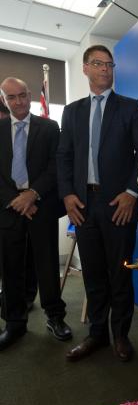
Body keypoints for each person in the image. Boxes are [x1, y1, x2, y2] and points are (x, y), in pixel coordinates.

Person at [57, 45, 138, 362]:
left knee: (119, 273)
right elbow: (64, 156)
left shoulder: (131, 107)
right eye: (98, 64)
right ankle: (97, 335)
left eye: (110, 64)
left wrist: (132, 192)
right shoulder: (72, 111)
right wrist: (67, 194)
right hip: (82, 204)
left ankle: (120, 335)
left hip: (118, 203)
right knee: (94, 273)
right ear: (85, 68)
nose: (105, 69)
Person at [0, 78, 72, 350]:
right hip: (8, 210)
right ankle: (14, 323)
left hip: (40, 206)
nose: (18, 102)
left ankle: (55, 317)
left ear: (30, 95)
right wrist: (15, 200)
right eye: (11, 97)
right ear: (4, 100)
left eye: (22, 95)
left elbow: (56, 165)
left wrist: (32, 194)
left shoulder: (49, 127)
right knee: (11, 267)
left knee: (47, 264)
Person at [0, 100, 38, 311]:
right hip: (6, 205)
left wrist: (30, 197)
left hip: (34, 203)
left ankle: (28, 297)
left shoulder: (40, 128)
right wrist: (16, 200)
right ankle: (10, 307)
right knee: (8, 263)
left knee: (30, 257)